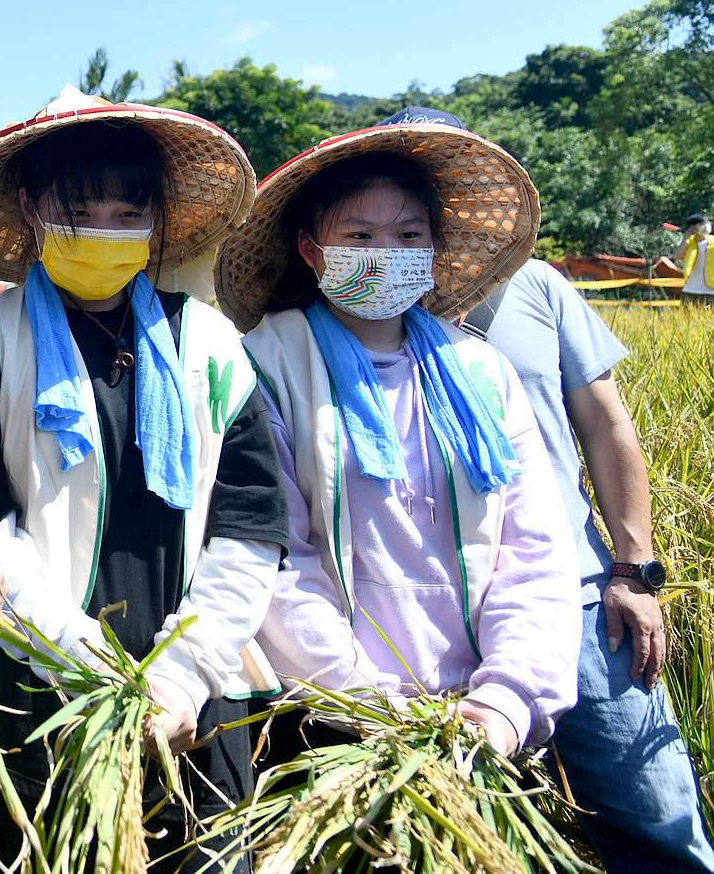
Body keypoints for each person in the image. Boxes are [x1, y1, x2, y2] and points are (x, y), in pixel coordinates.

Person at [0, 86, 289, 870]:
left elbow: (251, 519)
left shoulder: (211, 341)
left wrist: (182, 678)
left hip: (193, 696)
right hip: (34, 689)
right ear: (29, 206)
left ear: (157, 221)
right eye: (81, 211)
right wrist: (86, 664)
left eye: (129, 215)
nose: (106, 233)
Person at [376, 110, 714, 873]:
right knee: (434, 837)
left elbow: (607, 429)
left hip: (575, 593)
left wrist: (634, 571)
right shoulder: (351, 294)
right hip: (415, 611)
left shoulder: (539, 288)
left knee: (654, 814)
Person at [215, 117, 579, 764]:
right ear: (310, 249)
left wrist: (504, 699)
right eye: (359, 235)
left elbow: (534, 550)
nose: (385, 251)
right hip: (329, 721)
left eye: (408, 235)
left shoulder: (481, 370)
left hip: (476, 721)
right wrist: (364, 704)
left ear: (433, 248)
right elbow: (276, 556)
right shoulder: (267, 364)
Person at [674, 215, 712, 307]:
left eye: (707, 223)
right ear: (692, 227)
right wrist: (685, 238)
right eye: (702, 224)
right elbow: (677, 256)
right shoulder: (687, 242)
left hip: (710, 290)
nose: (706, 226)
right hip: (690, 289)